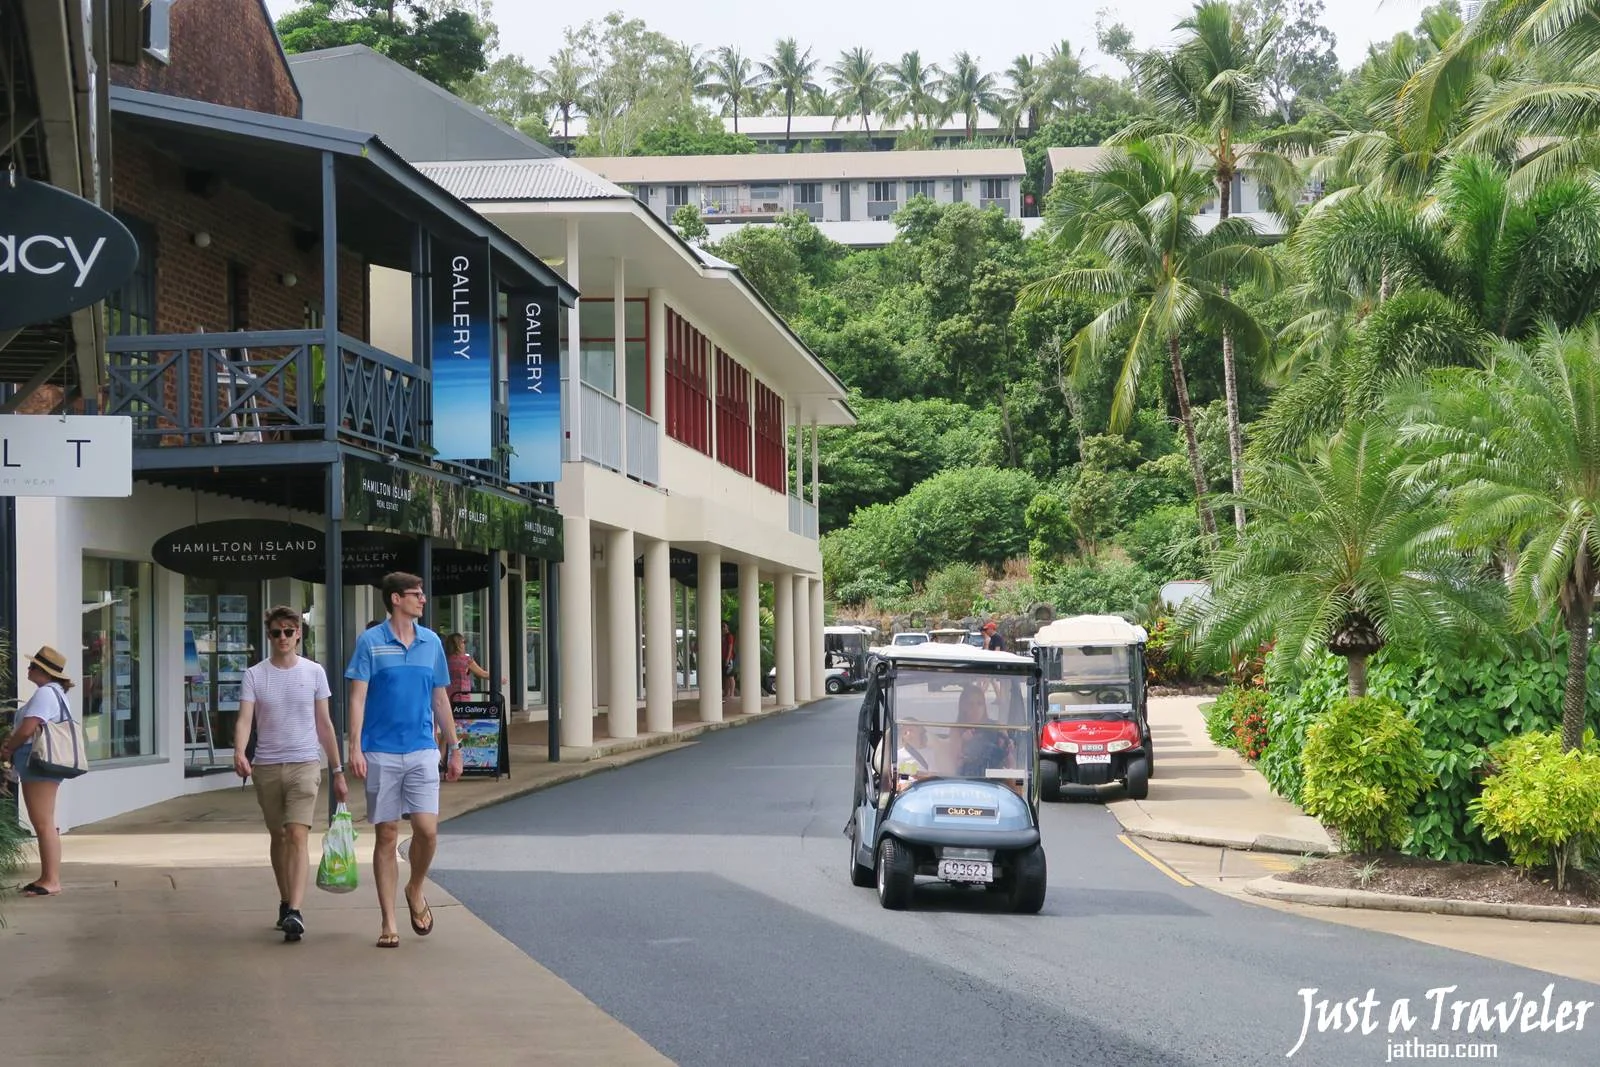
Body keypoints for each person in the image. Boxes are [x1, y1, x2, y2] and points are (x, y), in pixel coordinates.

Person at [346, 572, 463, 949]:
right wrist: (354, 747)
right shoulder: (370, 642)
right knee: (387, 834)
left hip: (422, 749)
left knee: (427, 830)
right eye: (416, 594)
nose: (423, 599)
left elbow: (440, 698)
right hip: (380, 750)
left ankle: (415, 886)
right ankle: (388, 921)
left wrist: (455, 747)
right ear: (395, 599)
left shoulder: (431, 642)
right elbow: (357, 698)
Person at [233, 606, 346, 942]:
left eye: (288, 631)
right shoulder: (255, 675)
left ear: (298, 634)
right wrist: (239, 752)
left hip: (304, 764)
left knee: (297, 834)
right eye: (275, 632)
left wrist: (337, 769)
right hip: (266, 766)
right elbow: (245, 719)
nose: (282, 637)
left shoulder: (314, 672)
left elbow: (324, 724)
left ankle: (295, 910)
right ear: (269, 636)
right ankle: (285, 900)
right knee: (278, 836)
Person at [0, 646, 78, 896]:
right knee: (46, 822)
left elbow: (27, 729)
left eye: (33, 666)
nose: (28, 668)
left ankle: (51, 880)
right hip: (41, 765)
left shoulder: (45, 693)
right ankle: (47, 877)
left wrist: (7, 749)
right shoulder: (56, 693)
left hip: (38, 763)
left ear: (44, 671)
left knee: (43, 823)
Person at [444, 633, 490, 699]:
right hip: (462, 696)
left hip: (448, 696)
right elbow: (483, 674)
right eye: (463, 642)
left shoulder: (445, 660)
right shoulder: (466, 660)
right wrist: (498, 679)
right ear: (458, 644)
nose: (464, 645)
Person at [721, 620, 737, 699]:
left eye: (724, 626)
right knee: (726, 676)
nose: (723, 628)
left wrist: (728, 658)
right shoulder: (722, 636)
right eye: (722, 626)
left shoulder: (729, 636)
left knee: (730, 676)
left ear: (727, 627)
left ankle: (732, 693)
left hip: (729, 659)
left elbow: (730, 647)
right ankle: (727, 693)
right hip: (723, 658)